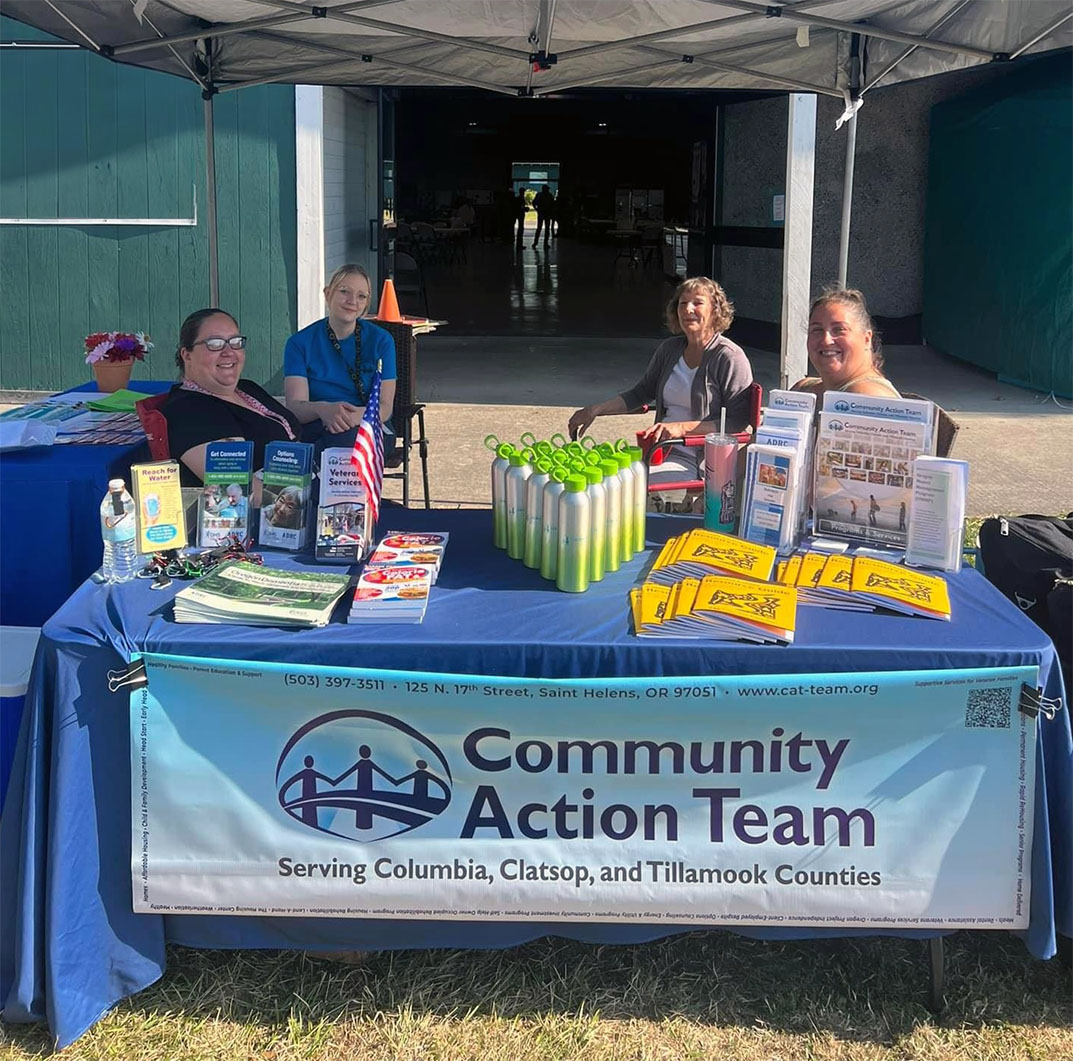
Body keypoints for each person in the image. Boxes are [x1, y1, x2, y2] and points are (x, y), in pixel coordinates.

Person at [567, 277, 753, 501]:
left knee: (630, 495)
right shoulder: (670, 349)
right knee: (604, 483)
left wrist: (681, 428)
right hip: (662, 450)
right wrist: (595, 410)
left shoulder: (729, 357)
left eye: (697, 303)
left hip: (702, 459)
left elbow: (736, 421)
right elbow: (641, 392)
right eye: (682, 303)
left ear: (715, 310)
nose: (688, 309)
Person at [164, 308, 302, 488]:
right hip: (279, 508)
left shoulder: (247, 388)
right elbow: (239, 489)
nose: (229, 351)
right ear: (186, 354)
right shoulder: (189, 410)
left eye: (235, 342)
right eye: (215, 343)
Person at [282, 264, 397, 455]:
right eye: (344, 291)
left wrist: (353, 418)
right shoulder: (299, 343)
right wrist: (323, 410)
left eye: (362, 296)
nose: (353, 301)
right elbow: (295, 407)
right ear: (328, 293)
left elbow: (385, 408)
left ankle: (309, 473)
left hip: (368, 424)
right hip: (317, 424)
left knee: (341, 444)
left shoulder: (381, 340)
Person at [792, 288, 900, 399]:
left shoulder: (869, 397)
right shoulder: (804, 389)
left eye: (839, 329)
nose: (826, 340)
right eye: (817, 330)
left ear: (867, 339)